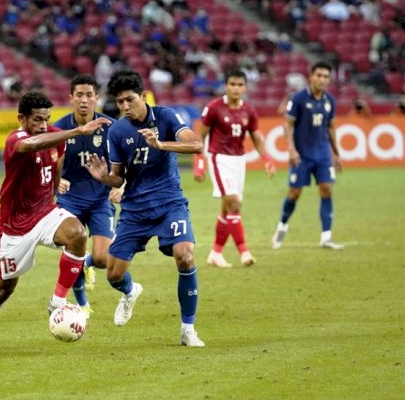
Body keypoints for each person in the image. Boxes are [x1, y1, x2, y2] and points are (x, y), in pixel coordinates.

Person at [0, 91, 112, 350]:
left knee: (78, 234)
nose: (43, 125)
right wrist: (77, 132)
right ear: (21, 118)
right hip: (16, 226)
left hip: (45, 212)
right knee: (3, 290)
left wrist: (55, 193)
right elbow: (33, 144)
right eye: (37, 119)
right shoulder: (16, 140)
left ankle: (58, 301)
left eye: (46, 119)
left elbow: (57, 164)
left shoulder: (53, 137)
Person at [84, 70, 206, 347]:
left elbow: (197, 144)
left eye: (129, 100)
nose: (125, 107)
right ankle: (129, 292)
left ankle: (188, 329)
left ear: (143, 96)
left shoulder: (166, 116)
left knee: (185, 256)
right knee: (113, 274)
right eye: (120, 102)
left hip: (169, 204)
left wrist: (161, 144)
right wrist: (104, 177)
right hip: (135, 211)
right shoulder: (117, 131)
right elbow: (119, 177)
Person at [53, 75, 122, 318]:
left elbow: (125, 163)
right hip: (69, 199)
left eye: (89, 95)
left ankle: (84, 264)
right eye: (79, 95)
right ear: (71, 98)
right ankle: (82, 303)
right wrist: (56, 179)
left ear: (97, 98)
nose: (84, 100)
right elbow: (47, 162)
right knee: (74, 247)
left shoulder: (112, 127)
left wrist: (120, 186)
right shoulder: (60, 128)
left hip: (99, 199)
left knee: (103, 259)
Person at [193, 70, 276, 268]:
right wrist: (199, 162)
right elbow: (200, 136)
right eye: (232, 84)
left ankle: (216, 253)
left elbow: (256, 137)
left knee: (227, 208)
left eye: (240, 85)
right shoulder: (214, 107)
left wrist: (267, 158)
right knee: (234, 203)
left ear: (245, 87)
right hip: (219, 159)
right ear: (226, 85)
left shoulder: (249, 110)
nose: (236, 88)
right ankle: (244, 252)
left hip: (239, 161)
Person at [271, 62, 344, 250]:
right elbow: (287, 124)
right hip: (302, 156)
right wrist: (291, 149)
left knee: (326, 189)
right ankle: (282, 225)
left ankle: (326, 237)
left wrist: (336, 153)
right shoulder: (298, 98)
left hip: (322, 155)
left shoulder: (330, 101)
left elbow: (330, 127)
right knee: (294, 193)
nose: (322, 79)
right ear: (311, 76)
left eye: (326, 76)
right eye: (319, 75)